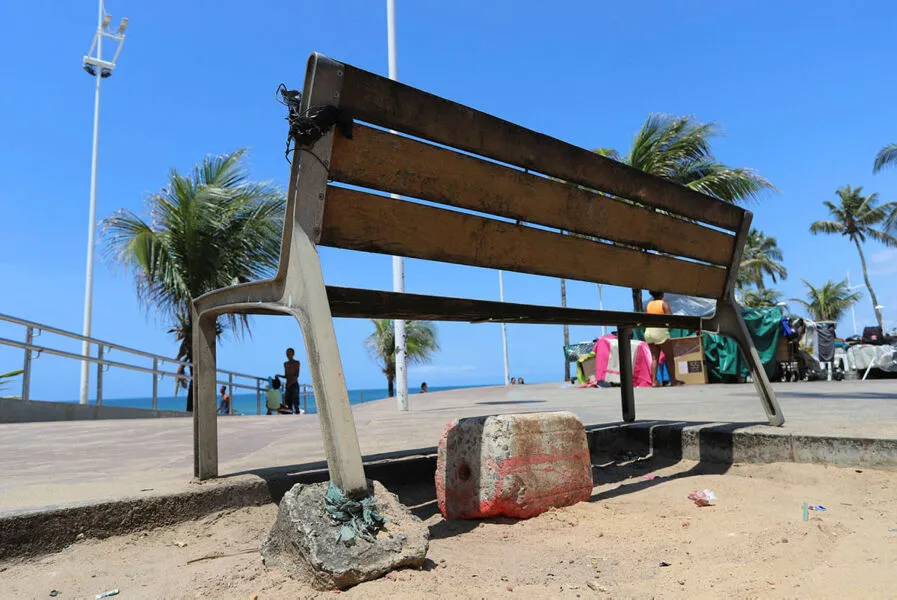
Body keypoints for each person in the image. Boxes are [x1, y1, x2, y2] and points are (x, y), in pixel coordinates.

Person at [644, 291, 684, 388]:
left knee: (654, 358)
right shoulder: (663, 304)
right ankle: (673, 381)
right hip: (660, 332)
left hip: (649, 332)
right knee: (670, 357)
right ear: (662, 294)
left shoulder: (649, 305)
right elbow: (670, 318)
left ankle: (653, 382)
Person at [276, 347, 302, 414]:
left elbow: (296, 375)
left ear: (293, 354)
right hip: (288, 386)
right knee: (288, 404)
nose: (288, 355)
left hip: (294, 385)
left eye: (290, 353)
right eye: (287, 353)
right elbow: (286, 376)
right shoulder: (285, 364)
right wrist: (279, 376)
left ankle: (297, 415)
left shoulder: (297, 363)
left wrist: (291, 383)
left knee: (295, 403)